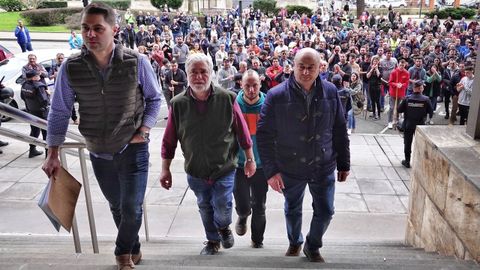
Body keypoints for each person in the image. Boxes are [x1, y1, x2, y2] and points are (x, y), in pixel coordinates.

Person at [41, 3, 161, 270]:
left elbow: (155, 99)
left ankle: (121, 255)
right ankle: (134, 247)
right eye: (85, 28)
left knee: (132, 207)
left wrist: (144, 130)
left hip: (133, 148)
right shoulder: (71, 68)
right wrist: (52, 153)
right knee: (118, 206)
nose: (90, 34)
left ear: (114, 30)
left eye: (98, 28)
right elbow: (59, 112)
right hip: (98, 151)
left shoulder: (136, 62)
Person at [256, 48, 350, 263]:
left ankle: (312, 245)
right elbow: (264, 136)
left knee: (326, 211)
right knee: (292, 208)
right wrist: (271, 172)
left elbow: (339, 129)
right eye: (302, 67)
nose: (306, 72)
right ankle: (294, 241)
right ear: (293, 66)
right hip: (290, 166)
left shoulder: (331, 91)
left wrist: (344, 163)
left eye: (311, 67)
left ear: (320, 68)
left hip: (323, 164)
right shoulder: (276, 95)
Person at [160, 53, 256, 256]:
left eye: (203, 72)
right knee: (204, 206)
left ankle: (223, 227)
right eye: (193, 72)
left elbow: (243, 132)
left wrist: (249, 159)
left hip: (224, 168)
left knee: (222, 205)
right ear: (186, 75)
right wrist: (165, 169)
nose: (199, 77)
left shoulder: (227, 98)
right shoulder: (177, 104)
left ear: (211, 73)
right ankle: (212, 241)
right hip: (196, 170)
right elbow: (169, 141)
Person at [233, 69, 268, 249]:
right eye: (248, 85)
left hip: (262, 165)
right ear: (241, 84)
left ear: (260, 84)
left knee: (260, 205)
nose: (252, 90)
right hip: (239, 164)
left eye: (255, 85)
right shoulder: (234, 104)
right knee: (243, 205)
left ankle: (257, 240)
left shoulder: (268, 104)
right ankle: (242, 215)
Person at [397, 80, 433, 169]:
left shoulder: (407, 99)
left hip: (408, 124)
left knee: (407, 143)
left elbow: (399, 110)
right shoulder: (426, 99)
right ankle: (420, 162)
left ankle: (407, 161)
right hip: (420, 125)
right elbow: (431, 112)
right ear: (420, 89)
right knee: (420, 144)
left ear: (413, 89)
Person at [21, 70, 49, 158]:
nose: (39, 77)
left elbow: (23, 97)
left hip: (31, 111)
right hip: (42, 112)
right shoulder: (39, 86)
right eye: (38, 75)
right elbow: (44, 101)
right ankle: (48, 154)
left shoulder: (24, 84)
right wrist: (48, 94)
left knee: (34, 131)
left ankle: (32, 150)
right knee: (46, 133)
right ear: (33, 77)